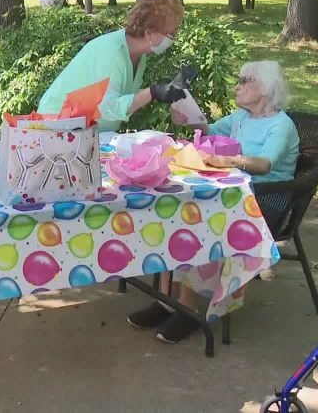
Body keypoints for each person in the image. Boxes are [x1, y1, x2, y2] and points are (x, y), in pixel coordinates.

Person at [127, 60, 300, 343]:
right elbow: (209, 131)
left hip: (263, 204)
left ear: (266, 89)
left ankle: (187, 309)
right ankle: (165, 300)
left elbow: (265, 164)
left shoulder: (281, 126)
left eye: (246, 80)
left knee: (200, 225)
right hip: (232, 197)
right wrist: (189, 118)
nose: (238, 85)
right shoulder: (242, 118)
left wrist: (227, 160)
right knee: (175, 215)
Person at [37, 0, 193, 131]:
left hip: (85, 132)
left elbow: (124, 103)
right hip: (56, 127)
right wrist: (153, 92)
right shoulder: (110, 51)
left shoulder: (139, 56)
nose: (174, 38)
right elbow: (108, 107)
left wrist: (169, 98)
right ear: (149, 32)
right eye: (171, 34)